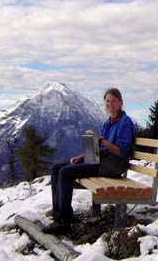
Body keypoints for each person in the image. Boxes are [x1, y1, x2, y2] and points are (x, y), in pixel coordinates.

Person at [43, 87, 136, 234]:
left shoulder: (125, 122)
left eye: (113, 101)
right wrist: (82, 157)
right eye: (107, 101)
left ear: (120, 102)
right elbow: (100, 148)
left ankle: (64, 222)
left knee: (66, 173)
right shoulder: (108, 122)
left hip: (112, 165)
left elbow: (120, 151)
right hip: (102, 161)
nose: (110, 104)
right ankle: (59, 215)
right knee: (56, 168)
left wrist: (101, 140)